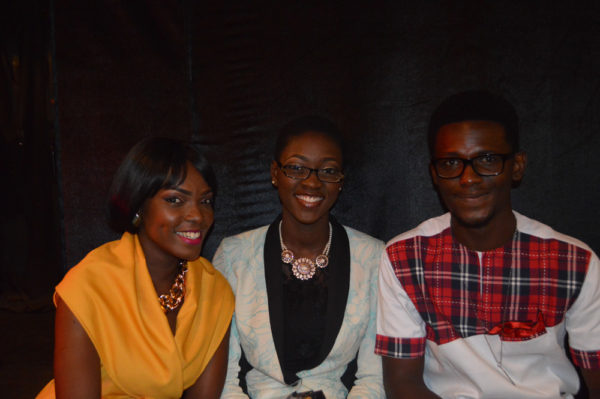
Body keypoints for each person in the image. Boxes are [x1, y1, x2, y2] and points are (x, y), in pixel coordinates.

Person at [375, 90, 600, 398]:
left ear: (517, 166)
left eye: (487, 160)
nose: (468, 178)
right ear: (434, 174)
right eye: (452, 162)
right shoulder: (404, 258)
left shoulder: (575, 262)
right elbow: (402, 384)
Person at [37, 137, 234, 399]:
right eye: (175, 200)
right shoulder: (88, 285)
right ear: (139, 206)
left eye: (206, 201)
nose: (197, 215)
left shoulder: (214, 292)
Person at [213, 116, 385, 398]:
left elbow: (374, 377)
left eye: (328, 171)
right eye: (296, 168)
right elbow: (223, 378)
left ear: (341, 180)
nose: (312, 183)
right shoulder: (233, 256)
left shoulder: (373, 257)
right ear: (274, 173)